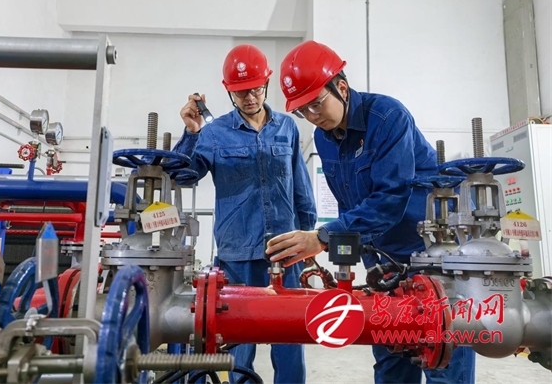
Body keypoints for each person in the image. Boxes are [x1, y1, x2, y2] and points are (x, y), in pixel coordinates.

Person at [266, 40, 476, 384]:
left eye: (316, 104)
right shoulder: (324, 138)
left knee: (442, 361)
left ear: (342, 88)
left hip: (432, 258)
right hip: (386, 263)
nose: (313, 116)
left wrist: (322, 237)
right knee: (392, 363)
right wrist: (364, 261)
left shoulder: (388, 117)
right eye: (302, 111)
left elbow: (391, 198)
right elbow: (349, 204)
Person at [173, 44, 317, 384]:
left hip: (286, 249)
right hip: (237, 253)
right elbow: (184, 176)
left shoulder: (287, 127)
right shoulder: (213, 132)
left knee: (290, 337)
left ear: (266, 84)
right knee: (239, 340)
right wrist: (191, 133)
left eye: (255, 88)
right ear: (229, 91)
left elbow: (301, 187)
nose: (250, 97)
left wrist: (310, 239)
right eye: (241, 92)